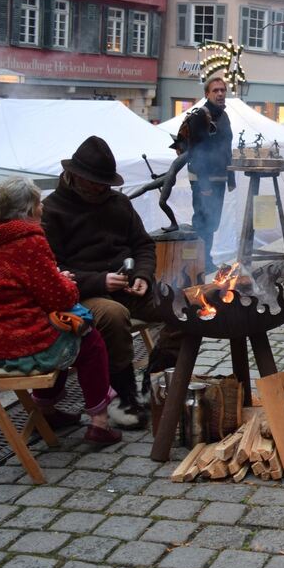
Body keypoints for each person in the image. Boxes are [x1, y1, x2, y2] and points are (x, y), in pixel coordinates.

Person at [0, 177, 119, 444]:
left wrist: (53, 277)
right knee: (87, 337)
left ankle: (46, 413)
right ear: (26, 210)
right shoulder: (27, 241)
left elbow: (9, 285)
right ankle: (100, 423)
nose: (42, 210)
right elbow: (60, 298)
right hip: (7, 343)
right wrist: (65, 281)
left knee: (60, 327)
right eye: (38, 204)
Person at [41, 136, 181, 426]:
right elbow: (51, 270)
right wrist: (99, 281)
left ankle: (154, 380)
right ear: (76, 177)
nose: (101, 189)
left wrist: (142, 275)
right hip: (80, 294)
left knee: (182, 307)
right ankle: (123, 397)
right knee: (114, 316)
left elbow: (143, 245)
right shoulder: (51, 211)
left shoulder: (117, 203)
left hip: (128, 285)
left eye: (105, 184)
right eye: (95, 183)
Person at [182, 76, 236, 265]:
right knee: (202, 222)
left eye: (222, 90)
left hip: (219, 178)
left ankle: (206, 259)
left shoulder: (223, 115)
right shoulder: (200, 116)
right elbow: (196, 152)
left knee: (212, 222)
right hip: (203, 180)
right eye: (216, 90)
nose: (220, 93)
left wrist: (230, 177)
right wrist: (204, 184)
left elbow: (225, 149)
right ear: (207, 94)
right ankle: (199, 262)